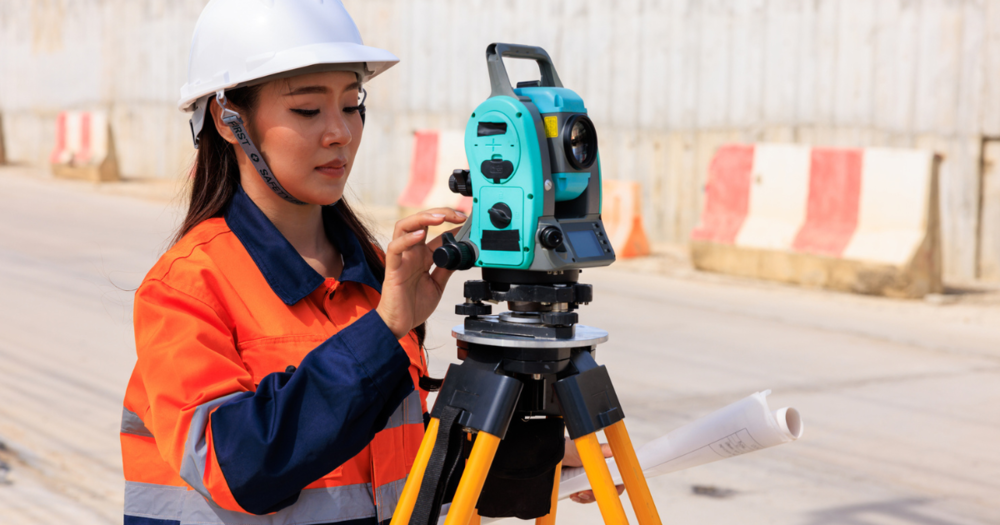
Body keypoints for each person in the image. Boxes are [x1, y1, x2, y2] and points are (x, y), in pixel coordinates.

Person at [119, 2, 616, 524]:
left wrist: (545, 458)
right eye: (308, 110)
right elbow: (238, 467)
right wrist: (384, 331)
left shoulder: (375, 273)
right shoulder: (187, 287)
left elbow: (391, 465)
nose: (341, 133)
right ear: (228, 120)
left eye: (353, 104)